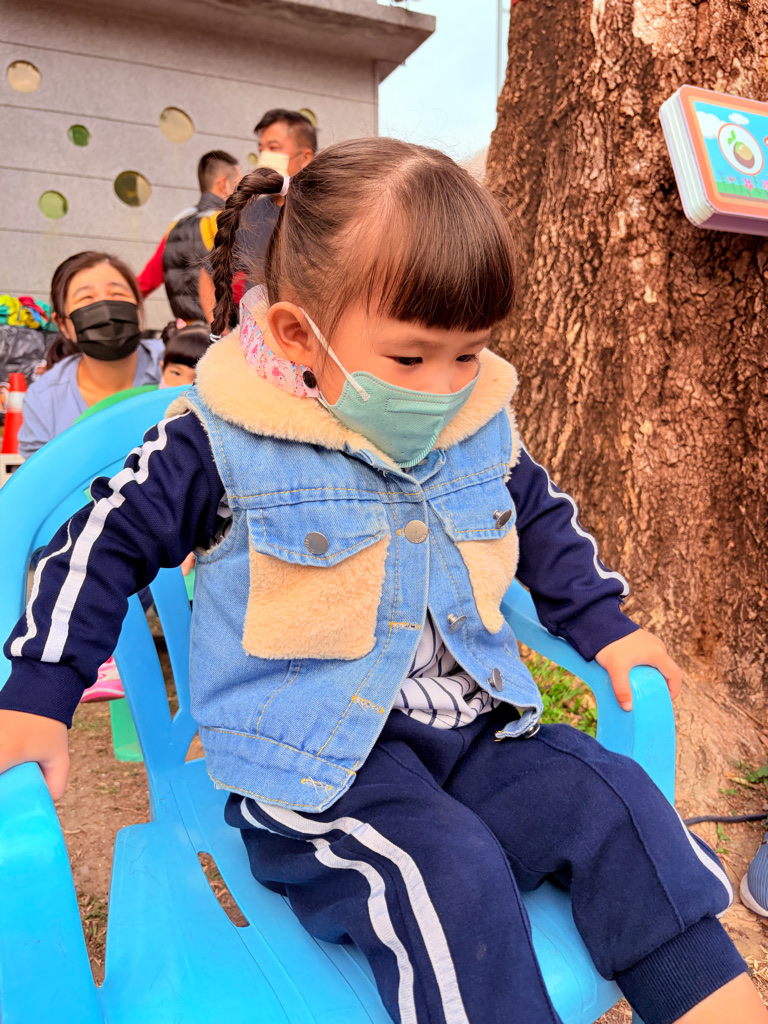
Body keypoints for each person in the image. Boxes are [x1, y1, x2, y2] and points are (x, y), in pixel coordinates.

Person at [1, 140, 766, 1024]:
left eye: (469, 354)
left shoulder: (474, 421)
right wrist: (41, 690)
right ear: (299, 334)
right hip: (315, 773)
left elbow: (538, 519)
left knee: (616, 803)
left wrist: (605, 624)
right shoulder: (222, 440)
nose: (443, 388)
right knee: (444, 869)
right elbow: (101, 543)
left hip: (475, 736)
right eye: (410, 360)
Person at [17, 251, 163, 459]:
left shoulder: (182, 364)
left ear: (138, 308)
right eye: (86, 298)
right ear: (62, 324)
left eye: (117, 294)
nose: (106, 309)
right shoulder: (44, 400)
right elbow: (41, 474)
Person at [198, 110, 317, 321]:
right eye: (261, 149)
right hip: (256, 335)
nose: (264, 157)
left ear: (306, 157)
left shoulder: (328, 211)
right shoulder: (249, 212)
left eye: (273, 148)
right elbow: (209, 272)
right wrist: (218, 328)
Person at [138, 151, 241, 323]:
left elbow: (145, 283)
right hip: (224, 331)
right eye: (239, 184)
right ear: (224, 184)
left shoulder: (176, 224)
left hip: (186, 332)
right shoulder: (229, 222)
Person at [159, 321, 212, 389]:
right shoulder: (146, 393)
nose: (184, 384)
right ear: (162, 368)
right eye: (176, 373)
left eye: (197, 378)